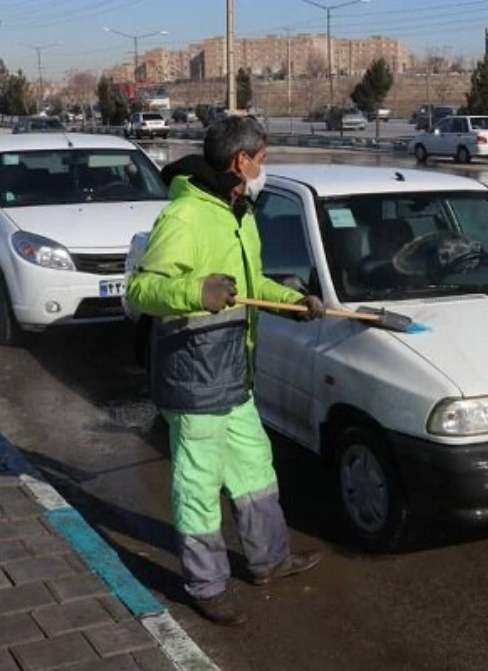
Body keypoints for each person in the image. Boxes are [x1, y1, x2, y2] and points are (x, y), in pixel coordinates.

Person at [126, 116, 326, 626]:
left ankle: (269, 559)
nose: (264, 168)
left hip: (235, 371)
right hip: (193, 376)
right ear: (242, 161)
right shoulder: (186, 217)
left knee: (255, 469)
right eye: (263, 158)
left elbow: (252, 282)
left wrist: (292, 301)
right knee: (197, 484)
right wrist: (196, 292)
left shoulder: (239, 214)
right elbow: (141, 291)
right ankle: (206, 583)